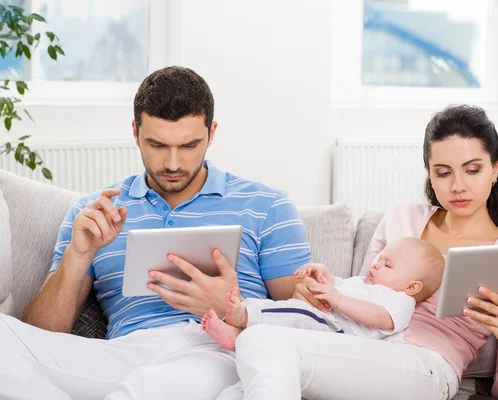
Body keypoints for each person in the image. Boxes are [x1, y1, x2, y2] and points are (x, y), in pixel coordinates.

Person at [0, 66, 312, 400]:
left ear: (212, 133)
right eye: (157, 145)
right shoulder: (94, 212)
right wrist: (78, 256)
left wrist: (235, 308)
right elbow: (44, 332)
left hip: (219, 350)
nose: (174, 163)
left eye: (190, 145)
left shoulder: (268, 206)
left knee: (153, 386)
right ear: (135, 132)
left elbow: (313, 323)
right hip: (125, 354)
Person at [220, 105, 498, 400]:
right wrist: (320, 293)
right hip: (360, 347)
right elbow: (365, 295)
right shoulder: (402, 218)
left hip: (427, 365)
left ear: (495, 168)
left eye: (472, 169)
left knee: (263, 342)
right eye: (444, 172)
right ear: (429, 174)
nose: (458, 186)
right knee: (244, 375)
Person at [202, 237, 445, 349]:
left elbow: (379, 317)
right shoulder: (365, 283)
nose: (376, 265)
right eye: (379, 259)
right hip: (326, 322)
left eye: (387, 265)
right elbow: (341, 285)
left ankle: (243, 315)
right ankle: (236, 336)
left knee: (298, 313)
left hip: (340, 334)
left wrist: (338, 299)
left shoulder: (399, 300)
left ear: (412, 287)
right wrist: (324, 276)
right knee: (283, 322)